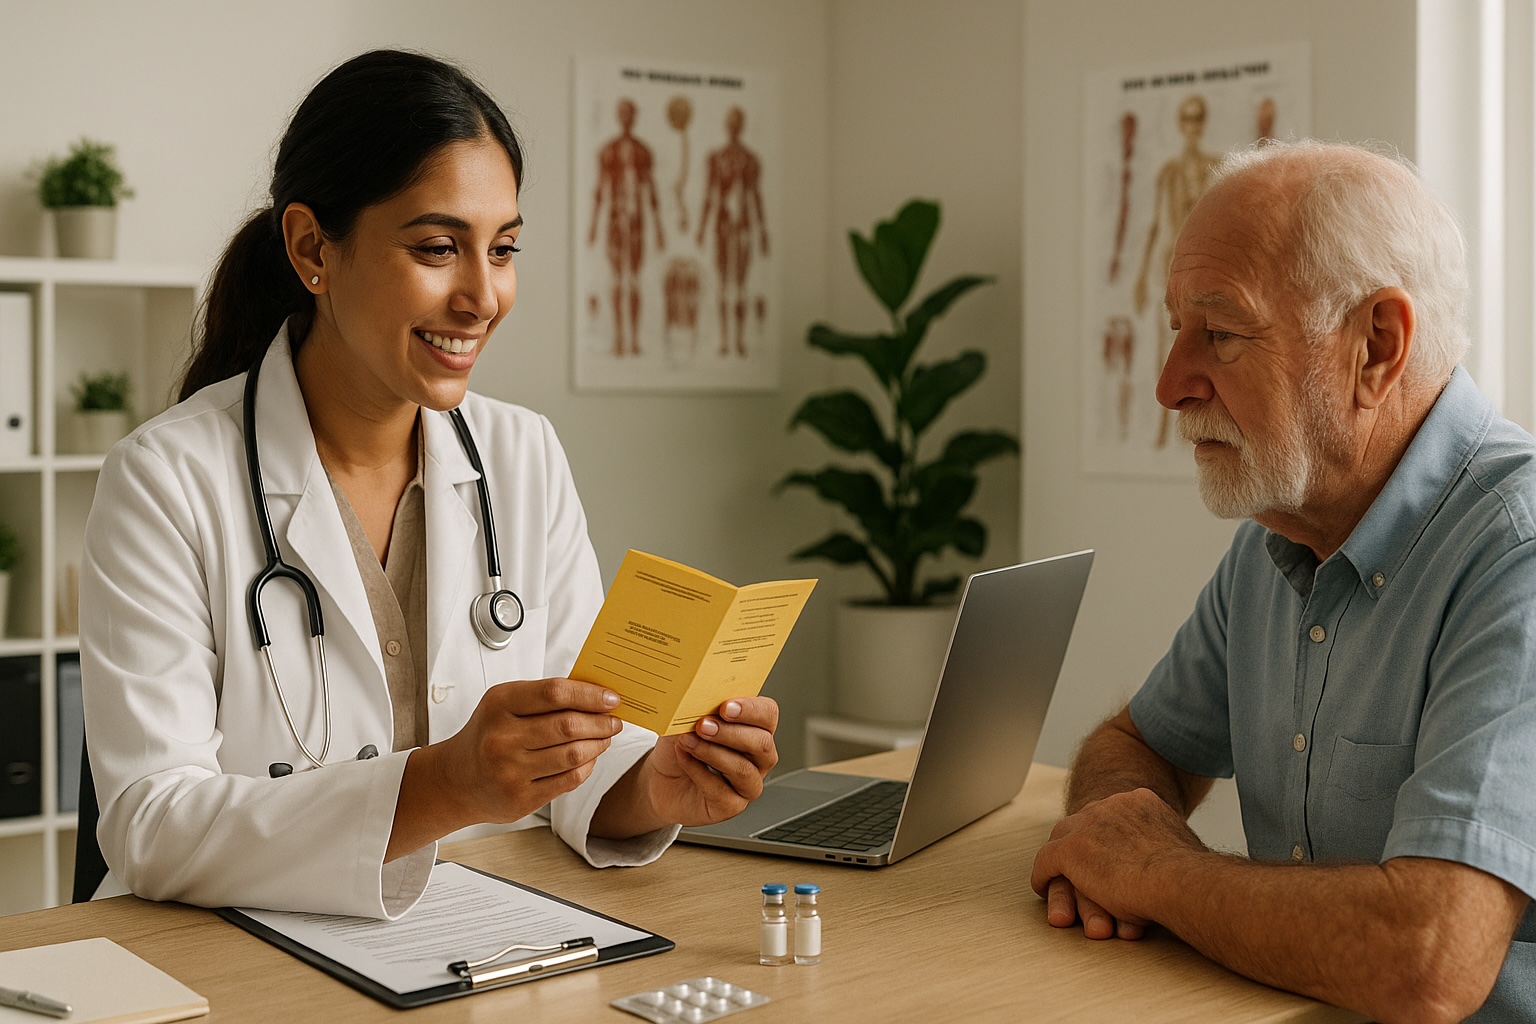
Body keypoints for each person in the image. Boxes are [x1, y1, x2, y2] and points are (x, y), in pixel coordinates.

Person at [77, 50, 779, 920]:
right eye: (439, 248)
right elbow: (150, 823)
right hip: (242, 962)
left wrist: (653, 783)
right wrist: (445, 784)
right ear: (311, 249)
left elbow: (573, 749)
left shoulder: (523, 456)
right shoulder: (166, 479)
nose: (484, 296)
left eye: (505, 249)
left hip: (480, 938)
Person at [1030, 140, 1536, 1023]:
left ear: (1377, 345)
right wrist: (1113, 842)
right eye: (1177, 328)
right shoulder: (1287, 524)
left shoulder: (1516, 554)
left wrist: (1155, 873)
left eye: (1220, 333)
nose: (1170, 384)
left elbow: (1428, 961)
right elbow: (1137, 744)